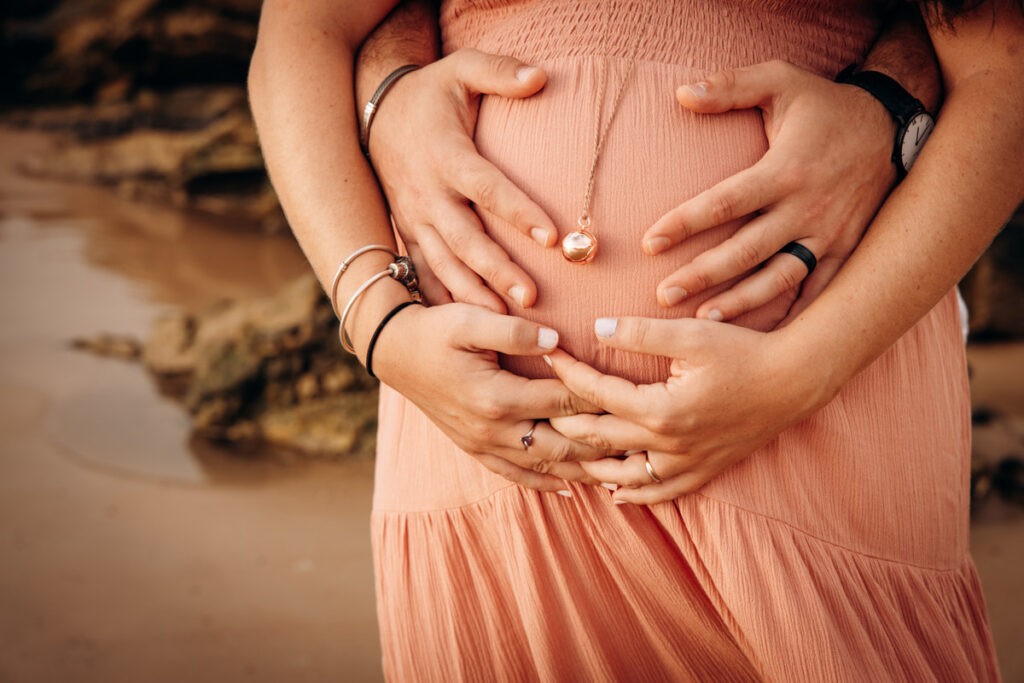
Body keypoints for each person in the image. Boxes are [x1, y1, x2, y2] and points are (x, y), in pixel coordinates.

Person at [248, 0, 1022, 679]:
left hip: (818, 413)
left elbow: (1004, 72)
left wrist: (801, 372)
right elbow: (304, 26)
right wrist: (381, 325)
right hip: (475, 437)